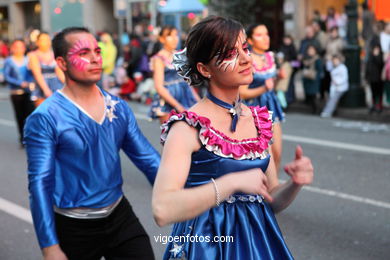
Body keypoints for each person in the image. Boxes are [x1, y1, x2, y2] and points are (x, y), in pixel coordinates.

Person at [152, 16, 314, 260]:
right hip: (207, 246)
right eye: (230, 53)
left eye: (245, 48)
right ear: (204, 69)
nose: (247, 58)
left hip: (258, 243)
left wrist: (295, 184)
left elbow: (271, 200)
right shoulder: (188, 127)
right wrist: (231, 184)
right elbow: (162, 209)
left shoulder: (259, 120)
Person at [24, 27, 160, 260]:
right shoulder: (45, 117)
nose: (96, 58)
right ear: (62, 63)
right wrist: (50, 246)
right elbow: (40, 183)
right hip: (73, 227)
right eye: (84, 52)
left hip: (120, 216)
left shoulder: (118, 107)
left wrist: (187, 195)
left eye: (97, 51)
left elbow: (149, 160)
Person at [239, 23, 284, 174]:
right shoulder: (247, 59)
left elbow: (271, 86)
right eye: (259, 35)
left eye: (267, 34)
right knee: (265, 157)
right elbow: (242, 93)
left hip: (272, 106)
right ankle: (263, 191)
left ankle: (273, 191)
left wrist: (278, 79)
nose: (265, 38)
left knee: (277, 153)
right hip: (255, 110)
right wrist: (264, 88)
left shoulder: (271, 57)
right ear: (250, 41)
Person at [149, 25, 200, 123]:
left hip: (186, 96)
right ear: (162, 39)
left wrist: (198, 100)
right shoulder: (158, 59)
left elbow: (186, 81)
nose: (174, 39)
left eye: (176, 35)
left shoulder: (179, 55)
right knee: (170, 135)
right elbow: (159, 86)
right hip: (168, 100)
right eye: (169, 35)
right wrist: (178, 106)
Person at [3, 39, 35, 147]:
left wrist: (30, 80)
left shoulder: (29, 60)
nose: (19, 49)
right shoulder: (9, 61)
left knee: (30, 115)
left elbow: (34, 73)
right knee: (20, 116)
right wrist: (20, 83)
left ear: (24, 48)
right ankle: (22, 137)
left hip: (29, 92)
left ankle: (31, 137)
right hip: (16, 92)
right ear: (12, 48)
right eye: (16, 47)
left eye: (21, 47)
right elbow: (7, 76)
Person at [28, 32, 65, 106]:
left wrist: (67, 85)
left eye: (47, 39)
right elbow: (37, 74)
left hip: (56, 85)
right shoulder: (33, 55)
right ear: (37, 42)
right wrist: (46, 90)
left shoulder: (54, 54)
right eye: (43, 40)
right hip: (41, 86)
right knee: (44, 113)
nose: (46, 42)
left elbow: (59, 72)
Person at [302, 45, 322, 114]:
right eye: (309, 50)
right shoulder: (307, 59)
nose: (310, 52)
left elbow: (320, 70)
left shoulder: (317, 59)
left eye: (312, 50)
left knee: (314, 95)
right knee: (309, 95)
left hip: (314, 79)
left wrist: (317, 77)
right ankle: (312, 109)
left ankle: (316, 109)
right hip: (308, 78)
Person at [365, 43, 385, 114]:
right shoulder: (370, 57)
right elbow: (367, 68)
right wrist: (366, 77)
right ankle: (373, 105)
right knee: (373, 93)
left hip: (379, 79)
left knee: (379, 93)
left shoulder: (380, 57)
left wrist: (376, 56)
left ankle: (379, 105)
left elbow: (380, 64)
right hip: (372, 79)